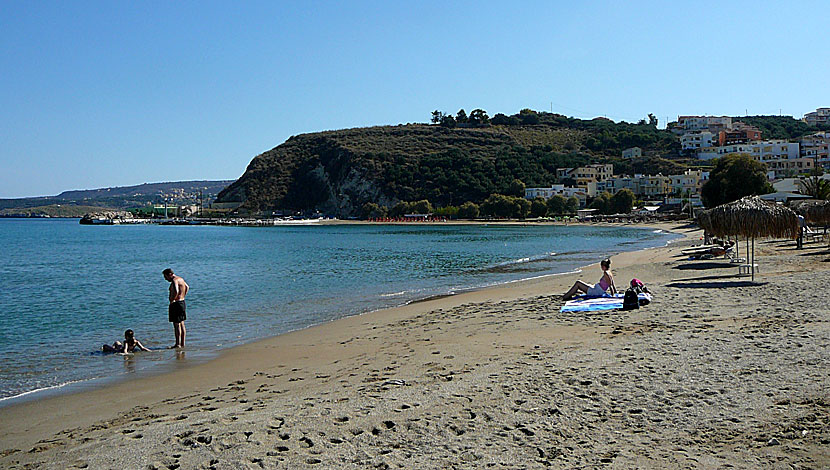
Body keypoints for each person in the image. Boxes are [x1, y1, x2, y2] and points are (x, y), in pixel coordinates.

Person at [163, 268, 189, 349]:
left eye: (166, 277)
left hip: (176, 303)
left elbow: (176, 290)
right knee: (182, 324)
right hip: (182, 302)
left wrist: (173, 299)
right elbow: (187, 287)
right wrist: (183, 296)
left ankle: (177, 344)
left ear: (170, 274)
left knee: (176, 325)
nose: (165, 279)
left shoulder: (175, 280)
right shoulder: (181, 279)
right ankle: (182, 343)